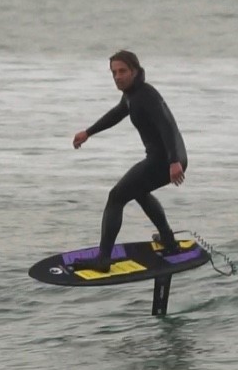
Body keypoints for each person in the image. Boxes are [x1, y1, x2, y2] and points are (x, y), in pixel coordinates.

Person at [72, 50, 187, 271]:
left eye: (122, 71)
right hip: (166, 159)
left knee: (116, 197)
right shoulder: (132, 95)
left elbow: (167, 127)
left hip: (165, 160)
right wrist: (88, 132)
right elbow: (117, 113)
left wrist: (174, 161)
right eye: (114, 72)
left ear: (135, 71)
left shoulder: (146, 95)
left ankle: (103, 259)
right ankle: (168, 241)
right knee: (138, 191)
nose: (117, 76)